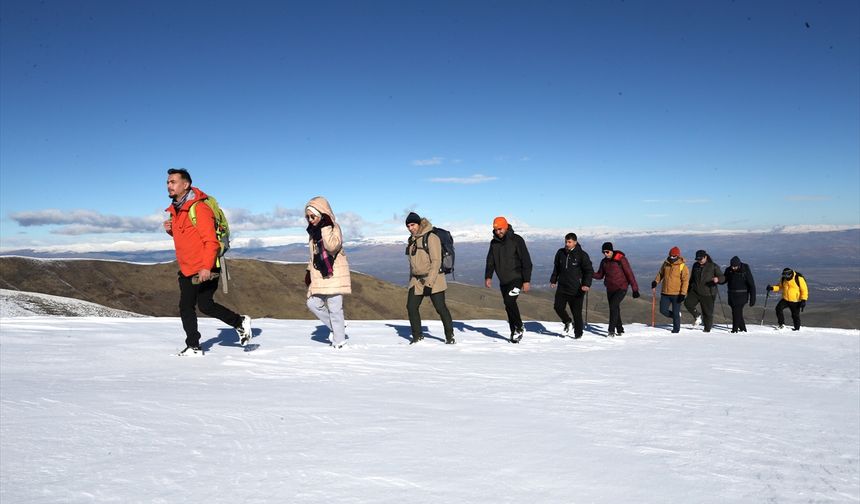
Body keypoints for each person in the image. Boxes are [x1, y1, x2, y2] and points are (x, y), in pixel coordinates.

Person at [163, 168, 251, 355]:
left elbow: (211, 241)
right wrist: (170, 230)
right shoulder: (176, 210)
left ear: (185, 185)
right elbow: (187, 238)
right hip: (187, 267)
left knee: (198, 305)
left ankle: (198, 344)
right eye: (168, 182)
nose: (169, 185)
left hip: (205, 266)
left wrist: (206, 267)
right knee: (193, 306)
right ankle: (198, 343)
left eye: (173, 182)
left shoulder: (199, 208)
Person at [305, 196, 352, 349]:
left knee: (335, 308)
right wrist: (308, 271)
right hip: (320, 274)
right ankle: (337, 328)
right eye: (308, 217)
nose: (310, 220)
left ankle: (339, 343)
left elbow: (332, 247)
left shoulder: (334, 227)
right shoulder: (313, 232)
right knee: (313, 303)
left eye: (313, 216)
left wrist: (325, 226)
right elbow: (314, 254)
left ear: (322, 214)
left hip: (335, 273)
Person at [405, 212, 455, 344]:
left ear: (419, 223)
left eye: (413, 225)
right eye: (408, 226)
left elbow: (436, 261)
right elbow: (412, 263)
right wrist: (411, 281)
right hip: (416, 281)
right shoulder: (412, 240)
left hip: (434, 279)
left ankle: (450, 336)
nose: (410, 228)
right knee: (411, 307)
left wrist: (429, 284)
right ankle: (417, 336)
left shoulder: (431, 237)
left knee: (440, 308)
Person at [485, 216, 533, 343]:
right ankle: (514, 333)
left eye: (500, 229)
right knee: (508, 305)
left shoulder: (516, 240)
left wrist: (526, 280)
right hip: (504, 280)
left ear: (506, 227)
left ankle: (519, 326)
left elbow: (526, 260)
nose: (498, 232)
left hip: (517, 278)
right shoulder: (494, 243)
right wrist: (488, 276)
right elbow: (490, 261)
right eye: (496, 230)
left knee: (509, 301)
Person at [549, 233, 594, 338]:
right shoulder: (560, 253)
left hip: (576, 289)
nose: (567, 244)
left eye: (569, 242)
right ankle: (567, 321)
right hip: (562, 287)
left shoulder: (582, 255)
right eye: (566, 241)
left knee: (576, 313)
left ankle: (578, 335)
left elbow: (588, 271)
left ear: (575, 242)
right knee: (558, 307)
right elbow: (556, 268)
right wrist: (553, 280)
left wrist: (586, 284)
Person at [592, 242, 640, 337]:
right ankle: (620, 329)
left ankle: (611, 331)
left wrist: (635, 289)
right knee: (615, 308)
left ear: (611, 250)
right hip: (610, 289)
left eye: (607, 251)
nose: (605, 254)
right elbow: (600, 275)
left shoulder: (621, 259)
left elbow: (629, 274)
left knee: (613, 306)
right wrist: (589, 273)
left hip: (621, 288)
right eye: (603, 252)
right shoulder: (604, 262)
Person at [684, 249, 725, 333]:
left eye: (700, 259)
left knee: (707, 313)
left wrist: (718, 279)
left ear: (705, 257)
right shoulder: (695, 265)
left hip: (708, 293)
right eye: (697, 259)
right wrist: (688, 289)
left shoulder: (713, 266)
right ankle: (697, 315)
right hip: (695, 291)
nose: (699, 261)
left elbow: (722, 277)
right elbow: (692, 278)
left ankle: (707, 330)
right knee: (688, 303)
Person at [651, 246, 689, 333]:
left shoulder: (682, 266)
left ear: (678, 256)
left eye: (674, 256)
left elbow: (685, 281)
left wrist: (683, 294)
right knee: (663, 310)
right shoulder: (666, 263)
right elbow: (660, 274)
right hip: (665, 293)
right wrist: (656, 281)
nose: (672, 257)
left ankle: (676, 330)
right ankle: (676, 316)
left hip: (677, 294)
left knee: (675, 312)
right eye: (670, 255)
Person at [723, 256, 756, 333]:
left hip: (742, 296)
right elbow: (724, 279)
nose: (733, 268)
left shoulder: (745, 270)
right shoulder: (728, 270)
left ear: (739, 264)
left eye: (735, 266)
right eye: (732, 266)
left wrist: (753, 298)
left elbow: (751, 285)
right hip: (731, 296)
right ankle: (743, 329)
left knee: (736, 313)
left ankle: (734, 330)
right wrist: (718, 280)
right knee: (737, 313)